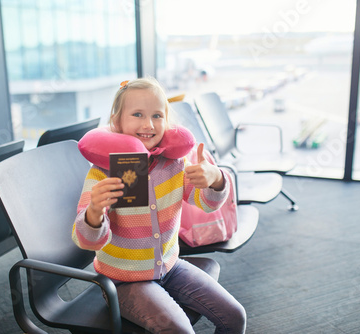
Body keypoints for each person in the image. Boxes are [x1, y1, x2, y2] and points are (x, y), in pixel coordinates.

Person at [72, 77, 246, 333]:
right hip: (122, 281)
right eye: (137, 114)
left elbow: (207, 204)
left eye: (157, 115)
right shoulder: (103, 174)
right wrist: (95, 212)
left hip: (170, 267)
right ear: (117, 121)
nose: (148, 124)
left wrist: (216, 180)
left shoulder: (175, 164)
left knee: (235, 316)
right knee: (179, 330)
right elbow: (87, 241)